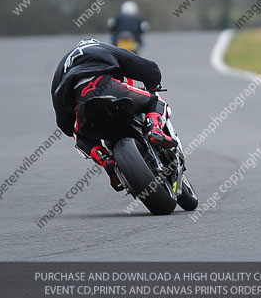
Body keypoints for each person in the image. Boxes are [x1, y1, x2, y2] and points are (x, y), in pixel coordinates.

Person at [51, 38, 176, 191]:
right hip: (108, 86)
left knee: (80, 135)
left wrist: (70, 126)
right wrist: (153, 84)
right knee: (155, 101)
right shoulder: (103, 48)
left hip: (83, 102)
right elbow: (145, 67)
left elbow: (58, 101)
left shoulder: (62, 67)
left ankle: (104, 159)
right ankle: (154, 130)